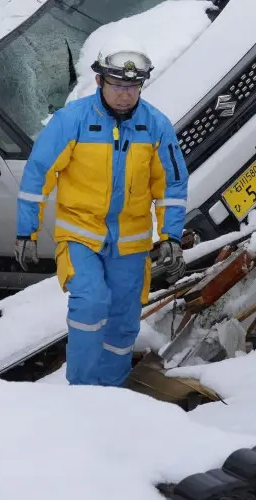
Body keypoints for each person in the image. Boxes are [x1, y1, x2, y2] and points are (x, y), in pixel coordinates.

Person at [14, 44, 189, 387]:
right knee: (91, 303)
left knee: (123, 321)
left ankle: (111, 392)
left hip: (132, 242)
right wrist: (26, 231)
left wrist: (170, 235)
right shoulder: (72, 120)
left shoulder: (156, 126)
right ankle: (79, 390)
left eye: (132, 88)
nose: (125, 95)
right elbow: (38, 175)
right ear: (99, 81)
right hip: (80, 235)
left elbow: (171, 185)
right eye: (117, 87)